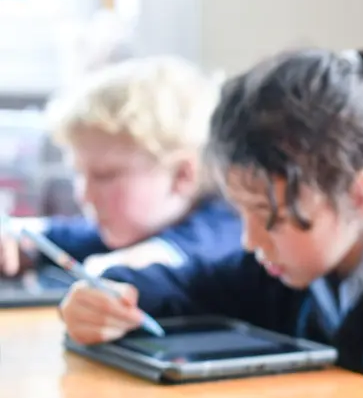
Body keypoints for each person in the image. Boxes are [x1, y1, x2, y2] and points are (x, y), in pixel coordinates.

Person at [59, 48, 363, 398]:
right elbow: (195, 284)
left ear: (361, 196)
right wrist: (109, 294)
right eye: (242, 212)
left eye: (272, 217)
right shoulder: (300, 262)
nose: (250, 239)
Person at [1, 56, 241, 278]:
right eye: (80, 174)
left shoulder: (227, 228)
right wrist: (17, 240)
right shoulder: (137, 225)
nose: (84, 195)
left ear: (182, 175)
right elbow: (64, 236)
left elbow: (166, 256)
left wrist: (112, 269)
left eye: (104, 176)